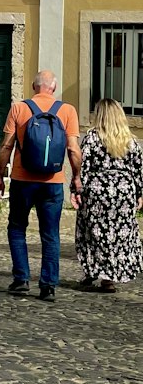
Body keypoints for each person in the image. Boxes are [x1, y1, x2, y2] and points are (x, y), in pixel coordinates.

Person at [0, 69, 81, 302]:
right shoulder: (67, 111)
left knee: (16, 227)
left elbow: (6, 146)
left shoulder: (19, 108)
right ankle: (48, 285)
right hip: (52, 183)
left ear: (34, 87)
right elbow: (73, 149)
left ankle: (21, 279)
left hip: (23, 180)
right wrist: (76, 178)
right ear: (53, 88)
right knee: (50, 234)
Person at [74, 99, 143, 292]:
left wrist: (77, 190)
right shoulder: (130, 140)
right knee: (118, 235)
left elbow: (84, 166)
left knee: (93, 233)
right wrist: (139, 193)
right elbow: (138, 169)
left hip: (98, 192)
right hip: (124, 192)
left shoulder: (92, 137)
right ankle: (108, 278)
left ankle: (93, 271)